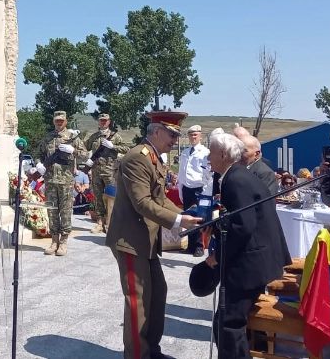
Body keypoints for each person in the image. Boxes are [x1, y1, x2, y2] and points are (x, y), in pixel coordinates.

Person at [105, 111, 201, 359]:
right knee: (138, 301)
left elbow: (160, 199)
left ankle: (151, 350)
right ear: (156, 132)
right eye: (171, 135)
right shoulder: (138, 158)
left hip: (146, 240)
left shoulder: (154, 158)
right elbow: (143, 203)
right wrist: (178, 221)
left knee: (157, 293)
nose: (175, 140)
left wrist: (184, 216)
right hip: (130, 240)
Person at [189, 132, 291, 359]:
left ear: (223, 155)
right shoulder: (238, 175)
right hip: (256, 258)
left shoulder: (235, 180)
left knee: (228, 325)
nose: (208, 158)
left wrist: (217, 257)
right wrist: (216, 226)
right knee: (227, 323)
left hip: (250, 264)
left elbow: (242, 227)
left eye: (211, 153)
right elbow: (242, 219)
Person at [34, 110, 87, 256]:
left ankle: (63, 242)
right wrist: (38, 164)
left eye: (61, 120)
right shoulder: (48, 137)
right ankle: (54, 241)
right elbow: (38, 154)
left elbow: (84, 155)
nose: (59, 122)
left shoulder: (72, 137)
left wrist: (73, 150)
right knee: (52, 211)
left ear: (66, 121)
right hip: (50, 180)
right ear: (53, 121)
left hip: (66, 181)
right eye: (57, 120)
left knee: (65, 212)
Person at [83, 113, 129, 234]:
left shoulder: (115, 136)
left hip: (110, 171)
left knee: (111, 197)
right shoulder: (94, 136)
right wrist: (86, 159)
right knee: (97, 196)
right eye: (101, 120)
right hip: (96, 171)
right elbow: (84, 147)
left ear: (109, 122)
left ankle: (110, 223)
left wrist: (113, 146)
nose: (103, 122)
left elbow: (126, 149)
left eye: (105, 120)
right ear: (98, 122)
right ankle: (99, 222)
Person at [175, 124, 210, 257]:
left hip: (199, 188)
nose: (193, 137)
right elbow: (181, 171)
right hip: (186, 188)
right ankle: (190, 246)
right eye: (191, 135)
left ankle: (199, 246)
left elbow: (207, 172)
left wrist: (205, 189)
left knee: (198, 217)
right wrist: (180, 187)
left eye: (195, 135)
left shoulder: (205, 152)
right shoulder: (185, 152)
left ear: (200, 136)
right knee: (188, 217)